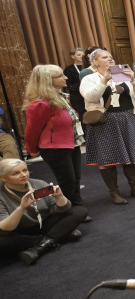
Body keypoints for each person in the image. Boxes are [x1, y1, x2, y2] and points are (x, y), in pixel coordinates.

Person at [80, 49, 135, 204]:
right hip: (104, 122)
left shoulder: (123, 76)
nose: (110, 59)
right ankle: (114, 192)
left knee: (132, 156)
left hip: (128, 119)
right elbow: (91, 97)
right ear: (95, 62)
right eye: (105, 57)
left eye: (111, 57)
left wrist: (133, 81)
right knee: (107, 159)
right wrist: (104, 81)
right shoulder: (90, 78)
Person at [24, 65, 89, 220]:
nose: (65, 77)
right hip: (55, 148)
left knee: (75, 179)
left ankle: (77, 208)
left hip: (70, 143)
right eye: (61, 76)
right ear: (49, 80)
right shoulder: (41, 104)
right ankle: (67, 213)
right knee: (67, 181)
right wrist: (31, 149)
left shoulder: (60, 96)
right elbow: (31, 130)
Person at [0, 159, 87, 265]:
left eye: (25, 170)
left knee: (79, 211)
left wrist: (59, 197)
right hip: (19, 232)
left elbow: (64, 210)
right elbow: (5, 228)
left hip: (42, 224)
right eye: (16, 173)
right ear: (3, 178)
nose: (23, 175)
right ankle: (57, 235)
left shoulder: (38, 184)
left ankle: (41, 247)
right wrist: (21, 208)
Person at [63, 47, 86, 120]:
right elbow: (68, 86)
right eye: (79, 55)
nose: (81, 57)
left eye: (83, 55)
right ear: (73, 56)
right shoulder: (69, 69)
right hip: (78, 98)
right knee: (82, 118)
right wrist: (81, 83)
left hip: (89, 95)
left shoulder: (88, 67)